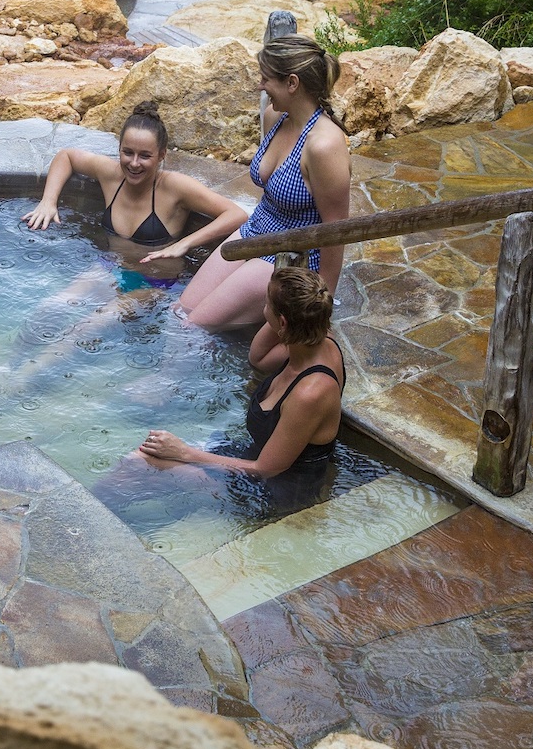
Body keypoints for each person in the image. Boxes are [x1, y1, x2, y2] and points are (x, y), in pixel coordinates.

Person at [95, 267, 347, 515]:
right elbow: (257, 358)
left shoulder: (310, 393)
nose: (262, 309)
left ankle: (92, 519)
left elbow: (266, 469)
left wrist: (184, 453)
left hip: (271, 491)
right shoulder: (316, 338)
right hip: (249, 457)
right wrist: (281, 311)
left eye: (266, 304)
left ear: (282, 321)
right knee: (138, 461)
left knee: (141, 465)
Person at [178, 35, 350, 331]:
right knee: (181, 312)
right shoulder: (275, 116)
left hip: (294, 253)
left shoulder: (324, 146)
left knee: (192, 328)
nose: (260, 86)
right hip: (255, 230)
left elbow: (335, 230)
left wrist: (323, 304)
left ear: (292, 83)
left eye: (265, 78)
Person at [22, 102, 246, 290]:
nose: (134, 163)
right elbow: (66, 156)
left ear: (161, 155)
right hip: (111, 264)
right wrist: (48, 202)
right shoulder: (111, 174)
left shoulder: (174, 187)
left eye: (145, 156)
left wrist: (185, 243)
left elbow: (237, 214)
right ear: (119, 148)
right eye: (127, 152)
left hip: (155, 278)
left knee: (84, 329)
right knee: (52, 308)